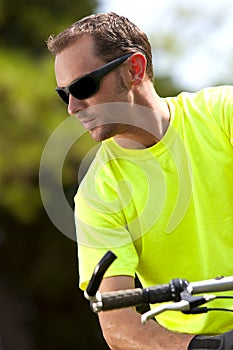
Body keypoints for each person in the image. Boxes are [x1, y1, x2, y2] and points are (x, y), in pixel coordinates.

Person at [47, 12, 233, 350]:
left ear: (134, 69)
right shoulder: (97, 194)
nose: (73, 107)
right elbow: (119, 328)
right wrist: (210, 347)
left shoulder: (223, 113)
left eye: (83, 86)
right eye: (64, 94)